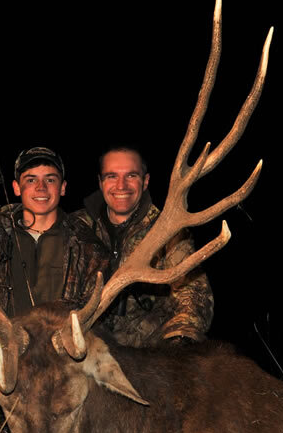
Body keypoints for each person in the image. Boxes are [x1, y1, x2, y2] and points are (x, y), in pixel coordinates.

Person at [71, 145, 213, 347]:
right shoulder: (77, 226)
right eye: (111, 176)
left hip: (148, 352)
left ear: (145, 181)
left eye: (131, 176)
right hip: (87, 347)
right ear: (100, 183)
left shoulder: (168, 231)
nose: (121, 186)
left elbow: (193, 294)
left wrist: (178, 339)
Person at [0, 146, 108, 327]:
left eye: (50, 179)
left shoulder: (90, 249)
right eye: (31, 180)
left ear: (63, 188)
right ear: (16, 187)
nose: (41, 188)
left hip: (63, 354)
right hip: (3, 352)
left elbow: (99, 321)